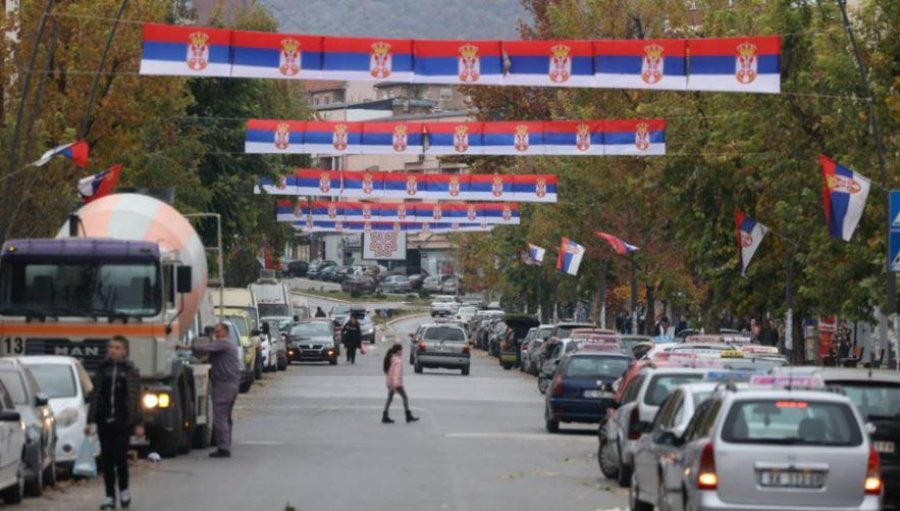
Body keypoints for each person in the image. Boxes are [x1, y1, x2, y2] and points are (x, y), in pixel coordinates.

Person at [85, 335, 143, 510]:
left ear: (124, 351)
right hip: (105, 421)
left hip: (122, 421)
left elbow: (136, 398)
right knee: (107, 459)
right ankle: (109, 496)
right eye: (110, 347)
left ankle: (124, 490)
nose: (113, 350)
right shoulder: (102, 370)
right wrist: (90, 421)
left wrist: (138, 423)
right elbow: (95, 397)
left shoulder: (130, 371)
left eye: (117, 348)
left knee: (120, 457)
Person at [184, 323, 241, 458]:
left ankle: (223, 447)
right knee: (226, 416)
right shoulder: (229, 344)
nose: (216, 334)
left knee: (220, 416)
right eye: (215, 332)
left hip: (224, 384)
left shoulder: (223, 343)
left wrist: (186, 346)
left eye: (218, 332)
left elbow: (205, 348)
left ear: (225, 332)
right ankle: (226, 443)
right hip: (231, 384)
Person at [382, 343, 418, 424]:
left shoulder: (391, 358)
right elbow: (396, 373)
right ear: (398, 351)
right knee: (405, 398)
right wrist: (395, 384)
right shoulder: (397, 361)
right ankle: (408, 415)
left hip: (391, 382)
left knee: (390, 399)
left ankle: (385, 415)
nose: (402, 352)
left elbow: (390, 372)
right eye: (401, 350)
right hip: (396, 383)